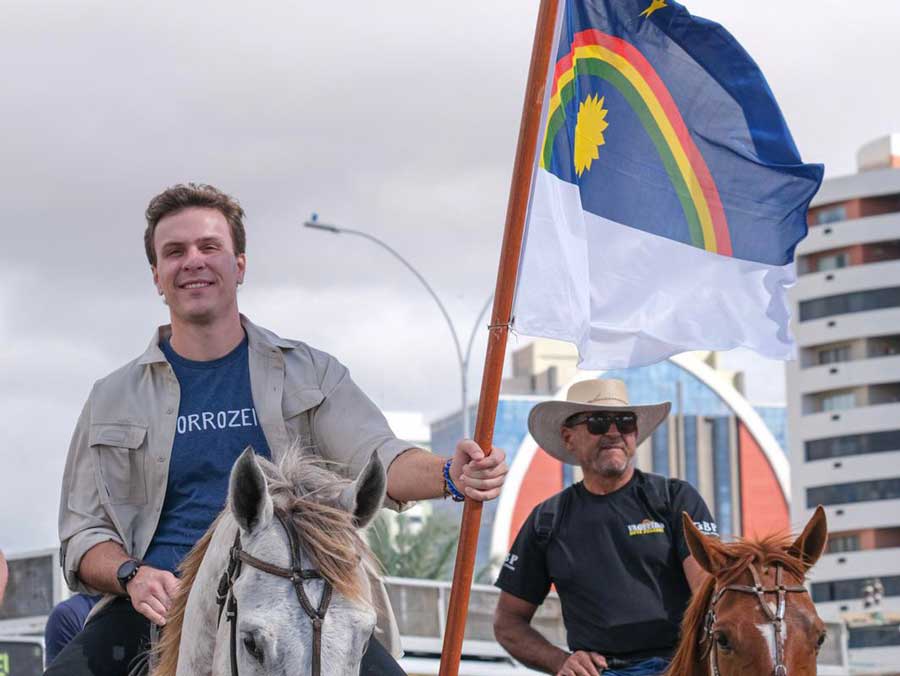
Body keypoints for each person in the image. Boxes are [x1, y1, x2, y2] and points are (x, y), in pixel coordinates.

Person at [49, 183, 508, 676]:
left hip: (301, 601)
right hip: (154, 607)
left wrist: (448, 474)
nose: (193, 262)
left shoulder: (310, 372)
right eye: (174, 252)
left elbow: (379, 456)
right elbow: (82, 534)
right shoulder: (111, 397)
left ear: (239, 265)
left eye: (210, 247)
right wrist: (133, 575)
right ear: (157, 277)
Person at [493, 379, 717, 676]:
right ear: (568, 437)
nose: (614, 432)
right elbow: (508, 624)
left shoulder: (675, 499)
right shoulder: (547, 520)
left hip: (678, 666)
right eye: (598, 422)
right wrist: (560, 661)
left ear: (635, 434)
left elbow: (712, 593)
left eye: (625, 422)